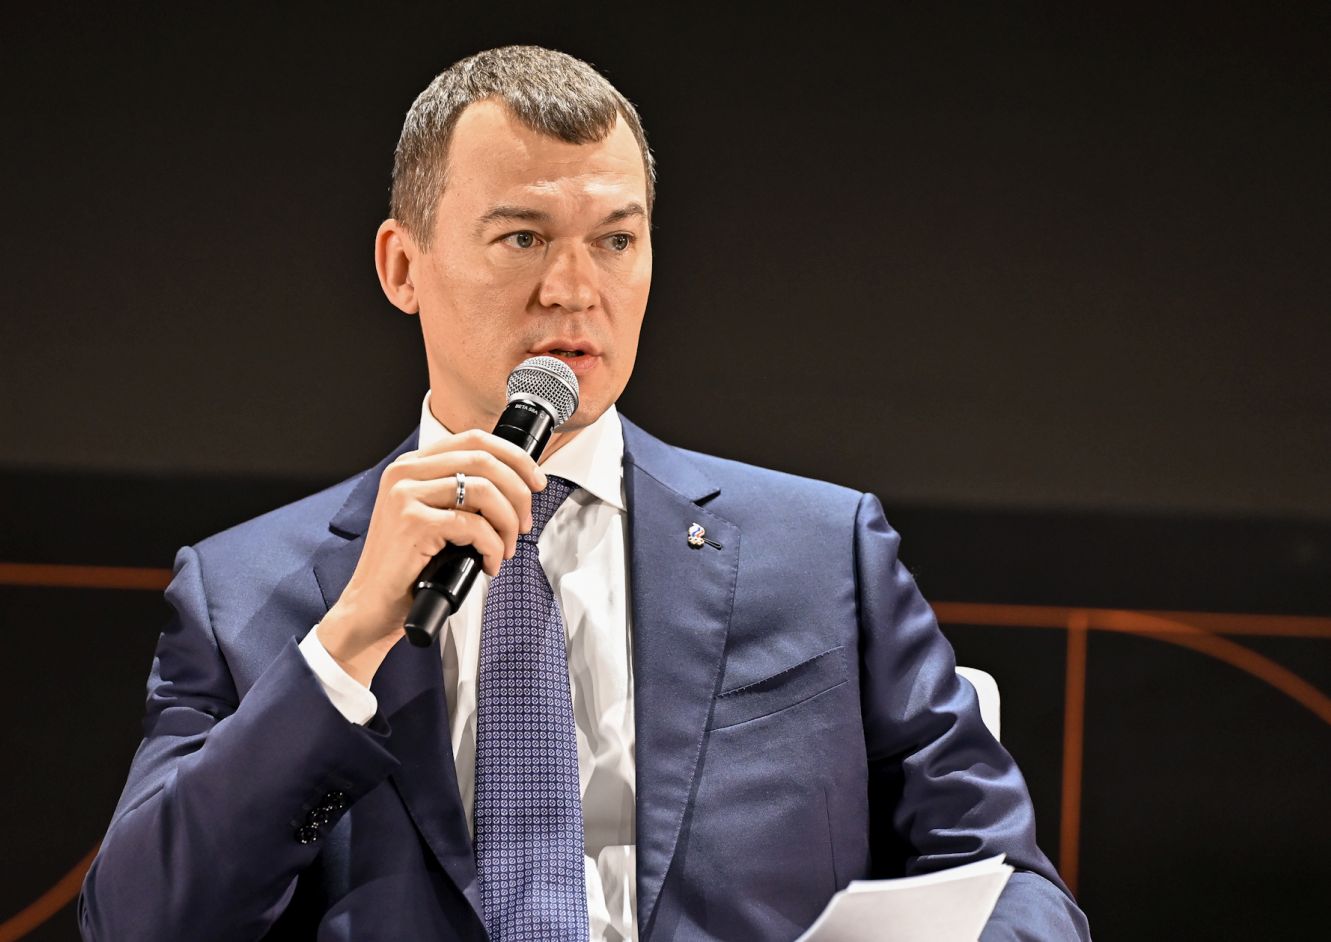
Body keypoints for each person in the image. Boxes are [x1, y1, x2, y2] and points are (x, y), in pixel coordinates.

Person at [79, 46, 1090, 942]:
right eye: (522, 238)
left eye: (615, 240)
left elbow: (1011, 886)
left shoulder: (824, 553)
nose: (574, 288)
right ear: (402, 266)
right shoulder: (248, 593)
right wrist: (345, 646)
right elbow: (138, 924)